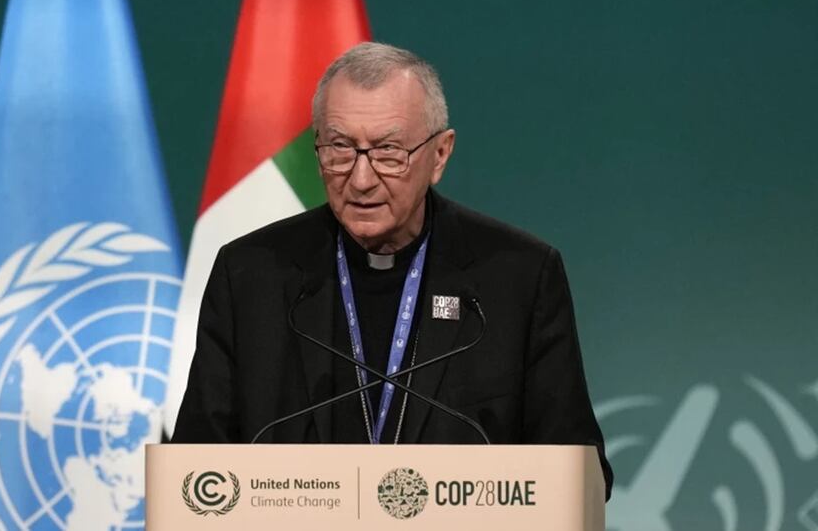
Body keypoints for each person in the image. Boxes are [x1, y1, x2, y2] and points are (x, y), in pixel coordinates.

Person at [172, 41, 612, 497]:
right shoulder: (251, 276)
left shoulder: (518, 278)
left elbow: (577, 472)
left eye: (388, 152)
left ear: (440, 155)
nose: (360, 179)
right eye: (340, 149)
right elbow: (194, 470)